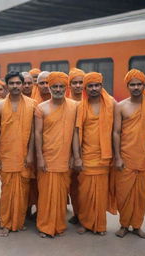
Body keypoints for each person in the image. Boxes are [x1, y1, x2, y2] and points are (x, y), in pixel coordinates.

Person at [113, 69, 145, 239]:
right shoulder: (121, 106)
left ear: (144, 85)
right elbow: (116, 133)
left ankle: (137, 226)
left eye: (139, 84)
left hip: (144, 157)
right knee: (124, 194)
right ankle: (124, 225)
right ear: (127, 86)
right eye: (132, 84)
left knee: (141, 195)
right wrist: (117, 157)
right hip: (126, 158)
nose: (136, 87)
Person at [0, 71, 36, 237]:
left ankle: (18, 221)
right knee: (8, 190)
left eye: (18, 83)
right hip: (6, 154)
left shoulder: (32, 104)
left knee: (22, 191)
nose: (16, 86)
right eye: (12, 83)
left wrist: (31, 154)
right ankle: (5, 222)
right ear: (7, 86)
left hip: (24, 155)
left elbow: (34, 133)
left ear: (23, 85)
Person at [35, 72, 77, 238]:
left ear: (66, 88)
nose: (58, 89)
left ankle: (58, 224)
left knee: (60, 195)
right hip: (47, 157)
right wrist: (39, 157)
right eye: (54, 87)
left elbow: (75, 133)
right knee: (46, 195)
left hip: (65, 158)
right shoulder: (41, 108)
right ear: (49, 88)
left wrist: (75, 156)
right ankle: (45, 226)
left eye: (61, 86)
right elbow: (37, 134)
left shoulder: (74, 106)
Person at [73, 72, 115, 236]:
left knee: (100, 194)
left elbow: (117, 132)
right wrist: (77, 157)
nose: (94, 88)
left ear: (101, 86)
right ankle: (85, 222)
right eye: (90, 86)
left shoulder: (111, 104)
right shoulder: (81, 106)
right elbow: (76, 132)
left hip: (104, 157)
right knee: (85, 194)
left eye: (97, 85)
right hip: (87, 156)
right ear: (85, 88)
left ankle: (99, 224)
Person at [27, 71, 50, 220]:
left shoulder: (62, 100)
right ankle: (27, 208)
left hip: (51, 151)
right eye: (42, 83)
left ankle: (43, 212)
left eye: (48, 82)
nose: (46, 86)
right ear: (37, 85)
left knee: (47, 185)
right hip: (31, 150)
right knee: (30, 182)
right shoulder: (33, 102)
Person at [66, 68, 85, 225]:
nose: (78, 86)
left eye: (81, 82)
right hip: (66, 152)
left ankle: (86, 215)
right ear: (69, 85)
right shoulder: (64, 103)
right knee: (73, 186)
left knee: (85, 187)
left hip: (88, 152)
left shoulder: (91, 102)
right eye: (75, 82)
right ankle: (78, 213)